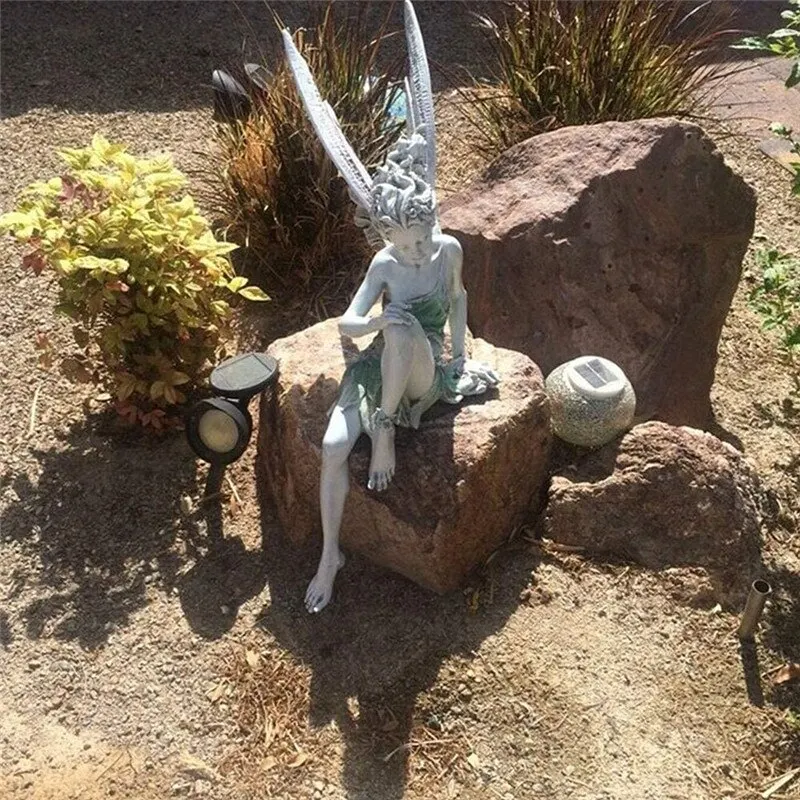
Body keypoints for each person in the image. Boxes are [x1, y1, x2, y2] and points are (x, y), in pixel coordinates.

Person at [283, 3, 498, 613]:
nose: (414, 252)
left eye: (420, 240)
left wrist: (461, 359)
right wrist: (378, 319)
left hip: (424, 370)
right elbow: (349, 324)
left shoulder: (447, 250)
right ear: (385, 238)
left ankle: (384, 433)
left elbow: (457, 300)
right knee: (332, 447)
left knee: (405, 333)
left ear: (432, 222)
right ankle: (330, 554)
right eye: (402, 245)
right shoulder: (384, 264)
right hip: (383, 361)